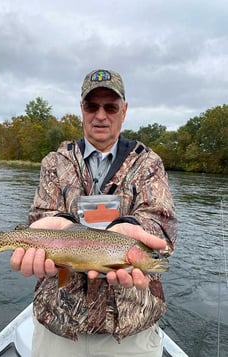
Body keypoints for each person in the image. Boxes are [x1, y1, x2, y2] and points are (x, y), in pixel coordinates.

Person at [11, 69, 177, 357]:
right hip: (58, 324)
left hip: (129, 332)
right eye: (92, 106)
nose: (101, 115)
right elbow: (41, 216)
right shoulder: (55, 161)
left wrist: (130, 226)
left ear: (124, 111)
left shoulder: (149, 163)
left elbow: (161, 224)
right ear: (82, 110)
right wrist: (57, 224)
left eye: (110, 106)